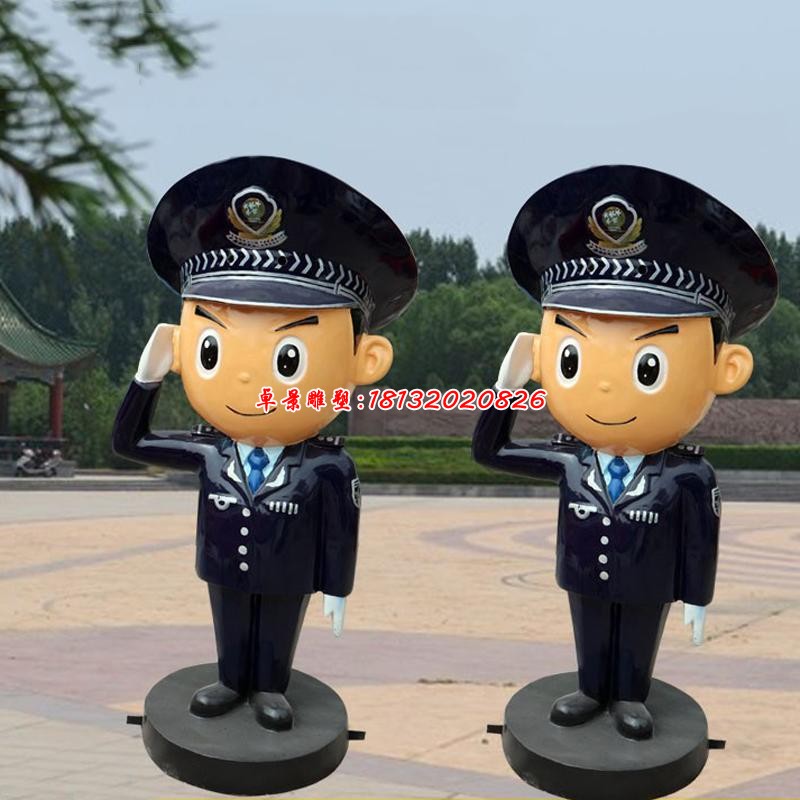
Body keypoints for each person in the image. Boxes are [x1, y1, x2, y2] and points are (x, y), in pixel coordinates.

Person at [473, 165, 777, 739]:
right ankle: (592, 689)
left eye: (647, 366)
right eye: (571, 359)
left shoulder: (687, 475)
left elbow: (700, 542)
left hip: (648, 583)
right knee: (589, 631)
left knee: (637, 635)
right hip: (584, 576)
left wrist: (697, 598)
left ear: (726, 369)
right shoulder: (572, 462)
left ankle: (631, 695)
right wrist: (508, 385)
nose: (608, 386)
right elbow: (492, 451)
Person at [113, 156, 417, 731]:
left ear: (365, 361)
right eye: (211, 350)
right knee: (229, 622)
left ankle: (270, 686)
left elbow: (340, 531)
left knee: (277, 627)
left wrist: (337, 589)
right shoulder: (211, 453)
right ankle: (232, 680)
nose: (249, 378)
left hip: (288, 575)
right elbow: (131, 442)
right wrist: (146, 378)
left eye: (287, 357)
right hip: (224, 567)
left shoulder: (327, 467)